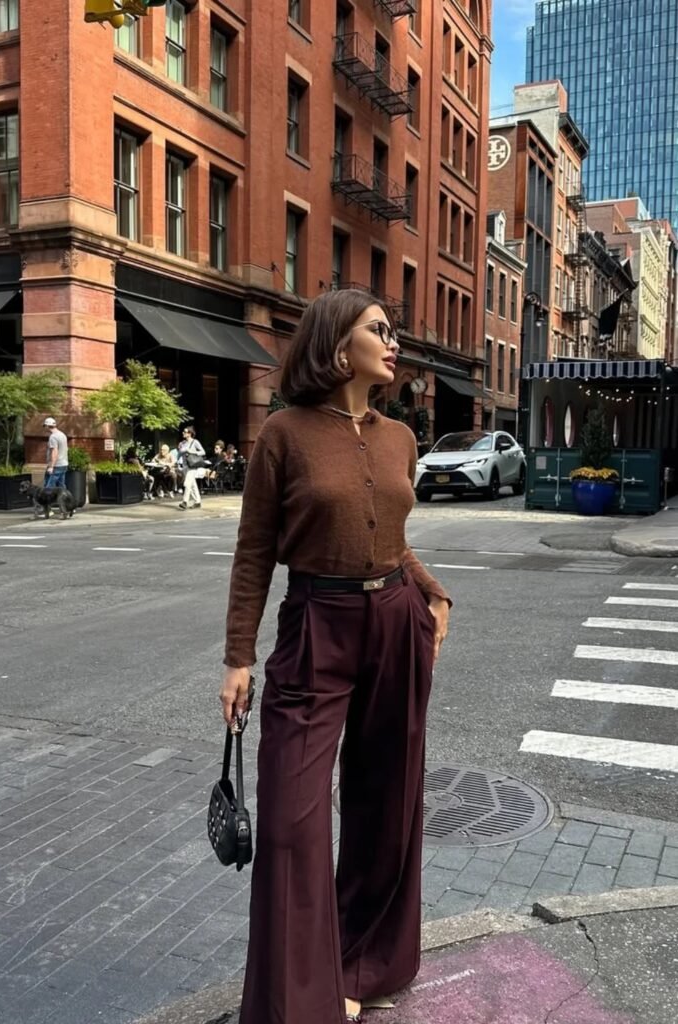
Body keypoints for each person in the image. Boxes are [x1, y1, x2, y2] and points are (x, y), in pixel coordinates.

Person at [220, 289, 451, 1024]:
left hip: (394, 619)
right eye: (378, 329)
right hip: (315, 622)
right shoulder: (284, 435)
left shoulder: (399, 437)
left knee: (388, 799)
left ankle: (368, 962)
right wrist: (238, 657)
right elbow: (254, 551)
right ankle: (299, 1001)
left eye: (392, 328)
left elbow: (390, 536)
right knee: (291, 815)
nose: (393, 340)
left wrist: (431, 594)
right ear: (334, 344)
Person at [178, 426, 206, 510]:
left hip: (192, 466)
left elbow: (202, 452)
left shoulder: (195, 442)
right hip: (185, 466)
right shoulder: (182, 443)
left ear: (190, 434)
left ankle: (184, 502)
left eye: (185, 432)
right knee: (192, 485)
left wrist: (192, 451)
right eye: (183, 432)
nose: (183, 433)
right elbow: (180, 453)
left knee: (187, 484)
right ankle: (197, 502)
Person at [43, 417, 68, 489]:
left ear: (47, 426)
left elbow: (54, 451)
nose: (45, 428)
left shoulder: (53, 437)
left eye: (45, 426)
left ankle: (48, 500)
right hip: (64, 464)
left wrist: (51, 467)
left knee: (48, 488)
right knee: (61, 487)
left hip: (56, 465)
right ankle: (66, 500)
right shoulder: (62, 435)